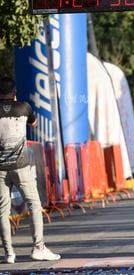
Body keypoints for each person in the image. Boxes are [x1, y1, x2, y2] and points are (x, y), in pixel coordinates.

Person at [0, 77, 60, 263]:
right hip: (21, 166)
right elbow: (33, 123)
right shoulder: (24, 107)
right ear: (14, 92)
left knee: (2, 210)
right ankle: (38, 248)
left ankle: (9, 253)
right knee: (34, 204)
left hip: (0, 168)